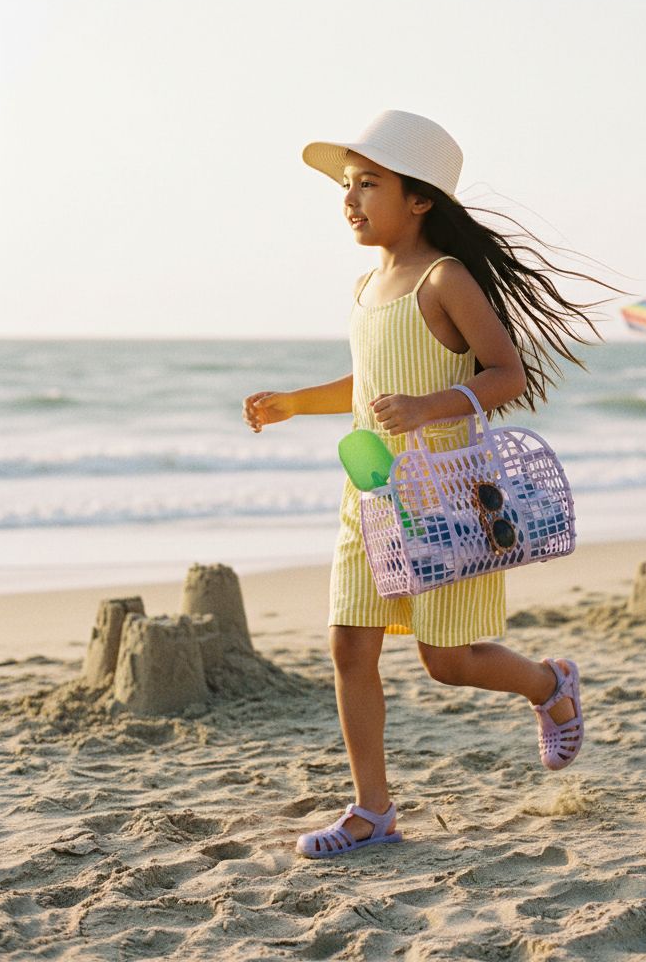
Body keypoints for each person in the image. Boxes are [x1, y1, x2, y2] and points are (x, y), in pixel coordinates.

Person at [243, 110, 606, 859]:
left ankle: (549, 685)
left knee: (447, 662)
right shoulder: (367, 283)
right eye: (348, 185)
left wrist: (428, 407)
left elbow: (508, 373)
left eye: (369, 183)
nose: (351, 198)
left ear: (420, 200)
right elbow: (367, 384)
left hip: (447, 496)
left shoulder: (446, 278)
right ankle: (372, 811)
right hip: (371, 497)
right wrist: (292, 402)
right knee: (349, 646)